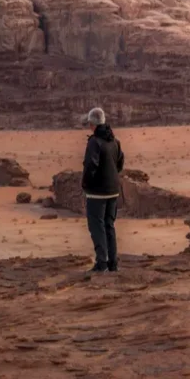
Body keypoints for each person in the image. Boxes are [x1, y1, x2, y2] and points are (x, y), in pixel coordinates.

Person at [81, 107, 124, 272]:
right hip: (113, 190)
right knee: (109, 225)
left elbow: (90, 165)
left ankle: (101, 263)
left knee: (96, 226)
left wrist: (86, 185)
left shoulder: (94, 142)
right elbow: (119, 163)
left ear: (92, 124)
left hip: (97, 193)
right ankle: (113, 263)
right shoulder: (115, 141)